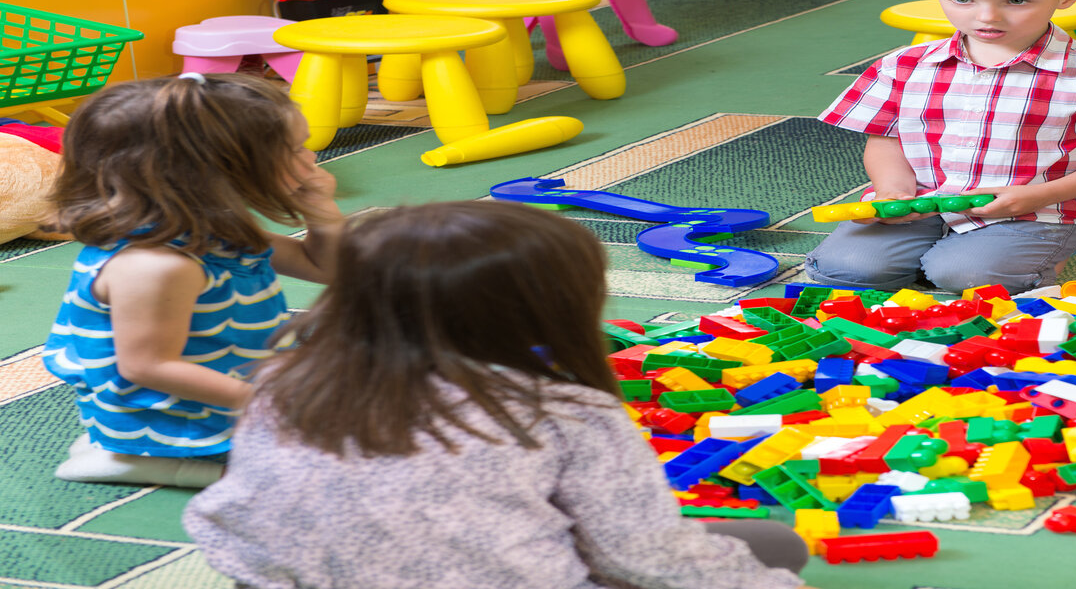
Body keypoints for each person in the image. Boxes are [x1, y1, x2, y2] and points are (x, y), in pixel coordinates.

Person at [184, 201, 813, 589]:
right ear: (547, 313)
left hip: (287, 577)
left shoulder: (280, 381)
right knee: (775, 549)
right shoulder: (570, 413)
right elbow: (647, 558)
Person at [803, 0, 1076, 294]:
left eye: (1016, 1)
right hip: (923, 201)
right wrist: (892, 190)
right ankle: (957, 248)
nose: (987, 17)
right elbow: (885, 139)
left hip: (1039, 207)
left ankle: (1056, 244)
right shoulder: (903, 64)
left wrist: (1038, 196)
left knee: (967, 277)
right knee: (845, 271)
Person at [42, 72, 343, 488]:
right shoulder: (158, 266)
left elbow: (324, 268)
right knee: (329, 460)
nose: (311, 159)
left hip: (227, 378)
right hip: (169, 410)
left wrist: (322, 215)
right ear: (213, 173)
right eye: (295, 150)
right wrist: (263, 404)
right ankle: (140, 459)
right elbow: (148, 366)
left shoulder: (210, 229)